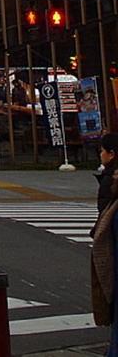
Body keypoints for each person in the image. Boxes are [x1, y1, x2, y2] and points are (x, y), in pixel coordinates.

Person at [91, 132, 118, 347]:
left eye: (102, 151)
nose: (100, 155)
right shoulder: (108, 177)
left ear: (112, 154)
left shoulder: (111, 180)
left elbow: (105, 213)